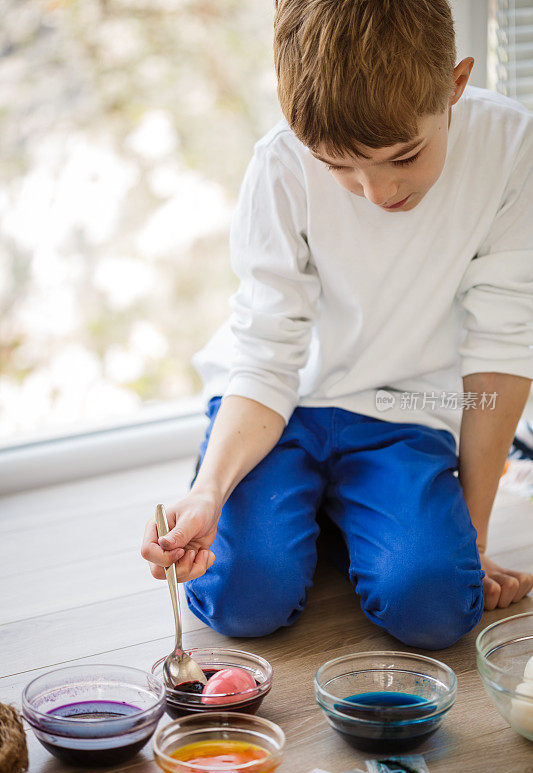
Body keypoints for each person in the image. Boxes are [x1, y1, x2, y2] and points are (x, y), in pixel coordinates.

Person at [141, 0, 533, 649]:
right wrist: (210, 494)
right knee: (242, 598)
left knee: (436, 605)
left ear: (455, 85)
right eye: (337, 166)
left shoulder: (512, 146)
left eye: (403, 155)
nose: (376, 193)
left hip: (406, 411)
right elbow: (267, 354)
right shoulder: (279, 163)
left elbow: (503, 343)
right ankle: (311, 511)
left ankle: (333, 516)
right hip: (280, 408)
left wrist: (470, 539)